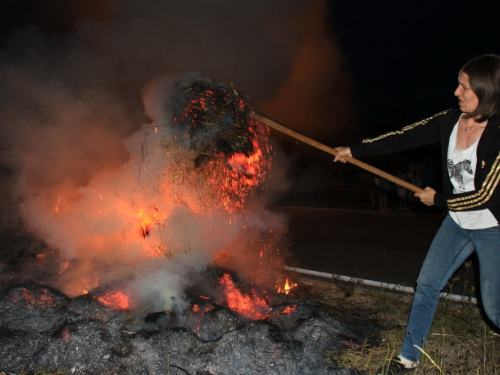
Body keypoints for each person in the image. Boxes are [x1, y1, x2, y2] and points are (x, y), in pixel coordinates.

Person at [334, 54, 500, 374]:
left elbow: (484, 195)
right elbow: (405, 136)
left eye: (464, 86)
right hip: (456, 222)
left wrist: (437, 198)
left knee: (494, 309)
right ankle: (408, 359)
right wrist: (354, 150)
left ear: (486, 90)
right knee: (426, 285)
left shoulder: (497, 134)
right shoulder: (450, 120)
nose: (456, 92)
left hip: (491, 226)